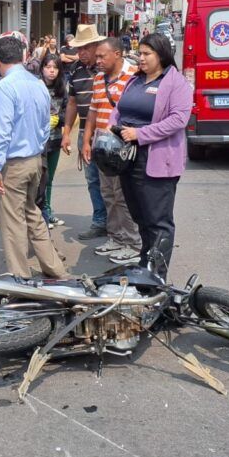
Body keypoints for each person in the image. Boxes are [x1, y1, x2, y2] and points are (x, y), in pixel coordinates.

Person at [109, 34, 191, 273]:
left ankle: (157, 275)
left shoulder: (176, 83)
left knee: (158, 222)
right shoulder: (135, 80)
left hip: (156, 160)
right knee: (140, 216)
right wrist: (112, 127)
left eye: (146, 54)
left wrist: (140, 134)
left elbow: (178, 119)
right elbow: (120, 109)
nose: (141, 58)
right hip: (129, 158)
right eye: (140, 53)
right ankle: (146, 264)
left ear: (162, 55)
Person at [0, 34, 65, 281]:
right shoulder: (37, 83)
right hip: (34, 159)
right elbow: (46, 124)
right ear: (21, 56)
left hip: (14, 163)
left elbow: (1, 131)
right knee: (32, 213)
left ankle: (20, 280)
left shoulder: (5, 87)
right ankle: (55, 270)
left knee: (13, 223)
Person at [81, 37, 142, 266]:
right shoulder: (98, 79)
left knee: (123, 196)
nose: (97, 61)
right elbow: (93, 113)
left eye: (101, 56)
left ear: (117, 54)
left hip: (124, 148)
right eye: (96, 56)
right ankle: (115, 237)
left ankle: (133, 243)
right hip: (103, 149)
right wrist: (87, 142)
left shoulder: (134, 77)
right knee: (108, 194)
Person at [60, 25, 107, 240]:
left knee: (113, 182)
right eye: (79, 49)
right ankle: (100, 221)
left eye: (86, 48)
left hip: (108, 132)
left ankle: (118, 223)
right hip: (85, 134)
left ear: (96, 46)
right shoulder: (76, 70)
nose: (82, 53)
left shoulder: (107, 66)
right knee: (93, 180)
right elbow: (71, 102)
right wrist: (66, 132)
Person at [39, 53, 68, 228]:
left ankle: (48, 212)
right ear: (42, 68)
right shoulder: (36, 87)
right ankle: (41, 213)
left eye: (55, 67)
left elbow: (67, 113)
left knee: (49, 179)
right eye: (48, 67)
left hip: (55, 140)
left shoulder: (61, 89)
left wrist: (58, 119)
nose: (51, 71)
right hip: (38, 142)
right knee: (40, 179)